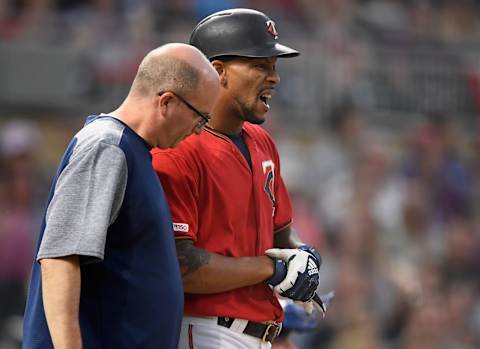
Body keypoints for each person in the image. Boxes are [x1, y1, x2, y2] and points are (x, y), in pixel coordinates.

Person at [22, 43, 220, 349]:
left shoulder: (134, 153)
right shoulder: (108, 147)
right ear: (166, 102)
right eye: (200, 118)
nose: (198, 131)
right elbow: (60, 259)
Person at [152, 9, 322, 349]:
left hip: (260, 333)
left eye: (274, 67)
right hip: (203, 329)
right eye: (260, 65)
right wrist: (271, 269)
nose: (274, 78)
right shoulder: (178, 147)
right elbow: (180, 266)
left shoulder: (262, 143)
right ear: (218, 73)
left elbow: (280, 232)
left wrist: (302, 256)